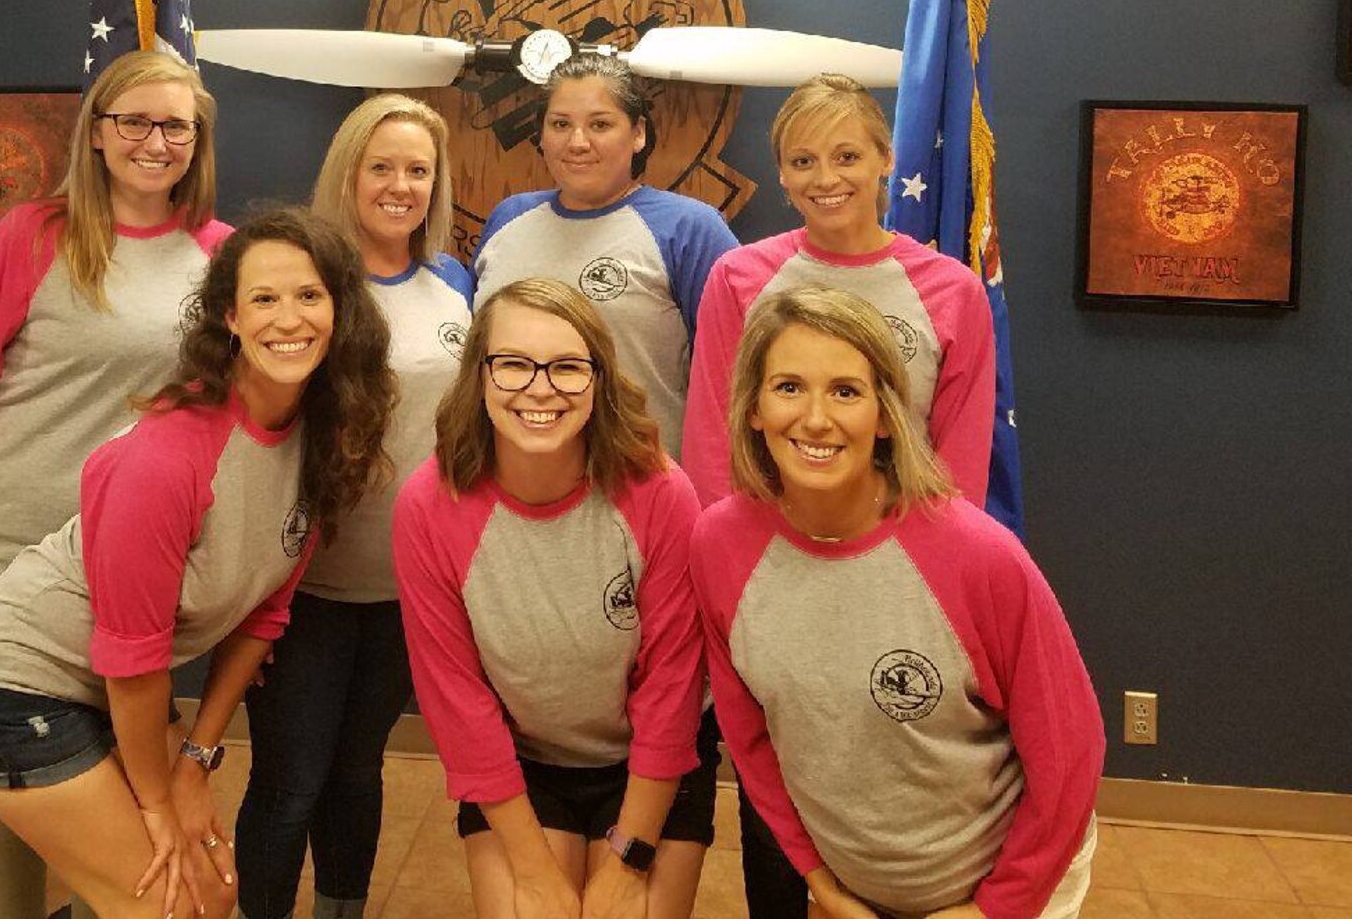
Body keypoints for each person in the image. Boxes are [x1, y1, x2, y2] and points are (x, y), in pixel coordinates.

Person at [0, 208, 397, 919]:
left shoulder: (320, 435)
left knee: (207, 895)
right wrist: (160, 801)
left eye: (309, 295)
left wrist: (196, 761)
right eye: (264, 298)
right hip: (13, 683)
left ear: (340, 310)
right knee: (180, 904)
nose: (290, 318)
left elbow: (264, 615)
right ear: (229, 317)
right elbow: (133, 659)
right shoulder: (168, 455)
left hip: (105, 687)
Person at [0, 48, 231, 919]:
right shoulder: (35, 235)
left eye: (175, 125)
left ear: (199, 139)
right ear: (99, 134)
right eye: (134, 122)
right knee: (4, 777)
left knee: (111, 761)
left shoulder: (224, 257)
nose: (156, 141)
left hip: (118, 562)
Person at [691, 287, 1102, 919]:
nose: (817, 419)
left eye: (846, 392)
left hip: (1004, 888)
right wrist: (818, 879)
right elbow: (751, 741)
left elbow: (1070, 752)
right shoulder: (719, 546)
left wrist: (996, 909)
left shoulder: (978, 557)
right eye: (789, 387)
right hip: (852, 890)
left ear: (885, 415)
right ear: (752, 407)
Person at [395, 278, 712, 919]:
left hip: (652, 763)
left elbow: (674, 684)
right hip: (525, 763)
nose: (540, 388)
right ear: (478, 377)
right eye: (512, 364)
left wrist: (629, 861)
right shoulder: (430, 506)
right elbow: (457, 701)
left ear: (598, 378)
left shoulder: (658, 491)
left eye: (568, 367)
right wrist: (537, 873)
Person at [234, 95, 474, 919]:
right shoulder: (306, 281)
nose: (401, 185)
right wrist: (246, 597)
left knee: (357, 768)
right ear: (349, 171)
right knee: (289, 782)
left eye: (418, 169)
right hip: (304, 592)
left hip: (407, 590)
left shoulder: (454, 282)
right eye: (383, 166)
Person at [685, 71, 994, 512]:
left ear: (886, 159)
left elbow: (961, 462)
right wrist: (728, 549)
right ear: (782, 175)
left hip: (903, 547)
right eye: (803, 161)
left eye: (847, 157)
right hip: (772, 544)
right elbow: (714, 439)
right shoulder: (737, 278)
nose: (826, 179)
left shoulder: (953, 290)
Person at [472, 53, 737, 464]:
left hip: (640, 486)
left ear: (638, 134)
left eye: (600, 124)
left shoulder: (689, 229)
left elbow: (736, 376)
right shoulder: (509, 219)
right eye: (560, 124)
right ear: (541, 135)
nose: (578, 142)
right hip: (513, 483)